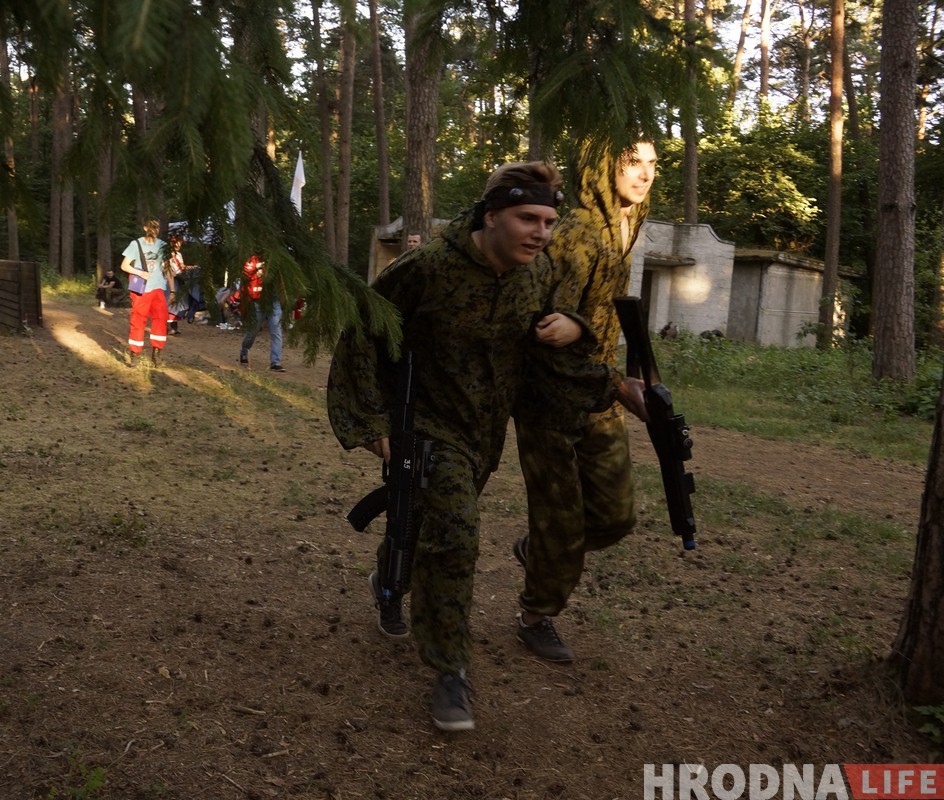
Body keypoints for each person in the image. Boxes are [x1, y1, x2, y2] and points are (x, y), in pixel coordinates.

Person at [327, 161, 588, 732]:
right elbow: (365, 332)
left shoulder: (537, 273)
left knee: (426, 523)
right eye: (528, 218)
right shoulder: (426, 268)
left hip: (484, 432)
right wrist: (370, 420)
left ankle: (389, 579)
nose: (541, 233)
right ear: (491, 216)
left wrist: (573, 326)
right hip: (425, 423)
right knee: (456, 533)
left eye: (549, 221)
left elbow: (554, 326)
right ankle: (450, 670)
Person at [510, 139, 656, 665]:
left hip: (599, 392)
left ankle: (540, 551)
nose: (644, 174)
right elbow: (544, 320)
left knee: (616, 516)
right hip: (550, 397)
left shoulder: (627, 225)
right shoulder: (576, 232)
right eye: (632, 162)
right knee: (561, 518)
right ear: (603, 166)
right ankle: (535, 616)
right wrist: (574, 328)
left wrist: (625, 376)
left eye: (652, 164)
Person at [119, 219, 169, 366]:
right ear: (145, 228)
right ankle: (135, 355)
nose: (155, 230)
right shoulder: (136, 244)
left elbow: (166, 266)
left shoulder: (163, 245)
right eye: (152, 227)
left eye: (157, 227)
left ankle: (156, 356)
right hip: (142, 290)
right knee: (138, 320)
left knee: (161, 319)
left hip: (158, 288)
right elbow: (124, 266)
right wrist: (140, 273)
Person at [238, 254, 285, 372]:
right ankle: (244, 351)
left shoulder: (276, 257)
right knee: (252, 331)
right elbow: (246, 274)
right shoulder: (253, 260)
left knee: (276, 332)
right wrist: (257, 266)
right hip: (258, 301)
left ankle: (275, 362)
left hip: (274, 300)